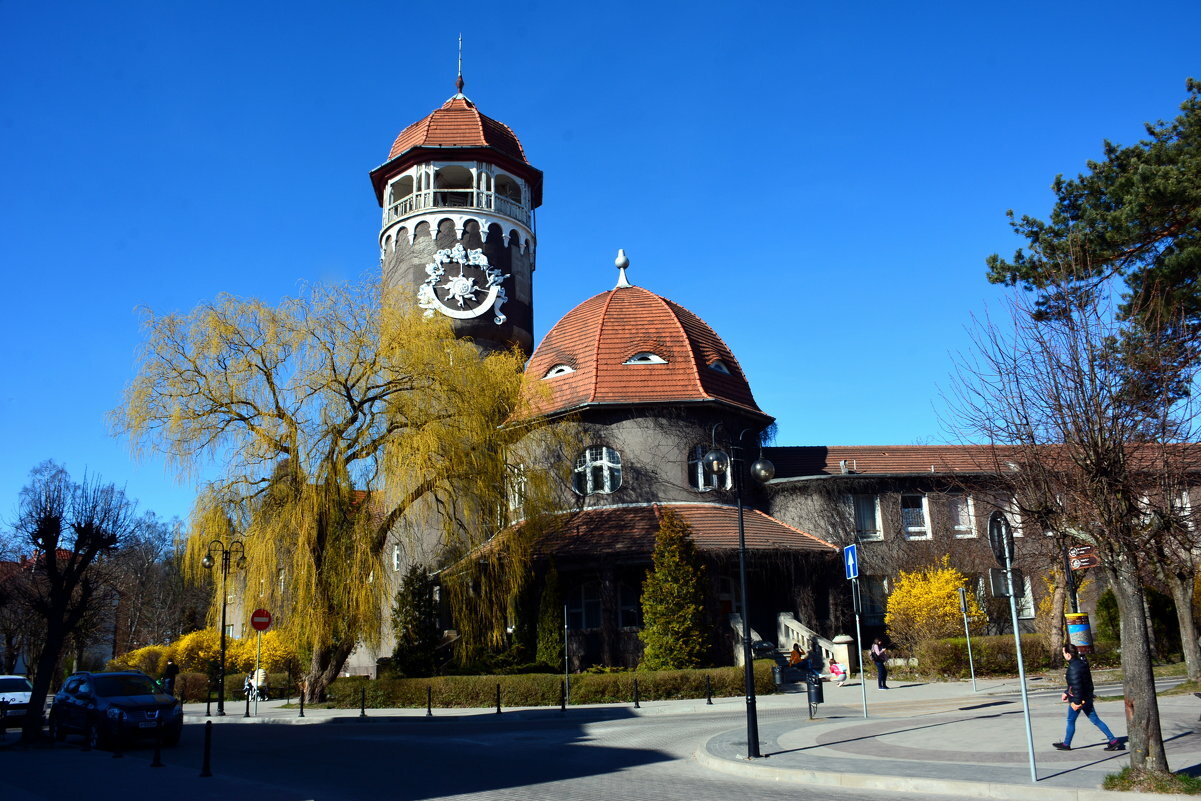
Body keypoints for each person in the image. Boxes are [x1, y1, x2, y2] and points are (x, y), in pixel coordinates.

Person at [1053, 643, 1124, 751]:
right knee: (1096, 720)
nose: (1063, 655)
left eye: (1064, 652)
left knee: (1070, 720)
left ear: (1068, 654)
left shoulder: (1073, 668)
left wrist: (1076, 703)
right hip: (1087, 698)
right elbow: (1081, 683)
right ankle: (1113, 740)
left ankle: (1066, 744)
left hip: (1078, 700)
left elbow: (1077, 687)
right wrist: (1066, 692)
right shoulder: (1082, 664)